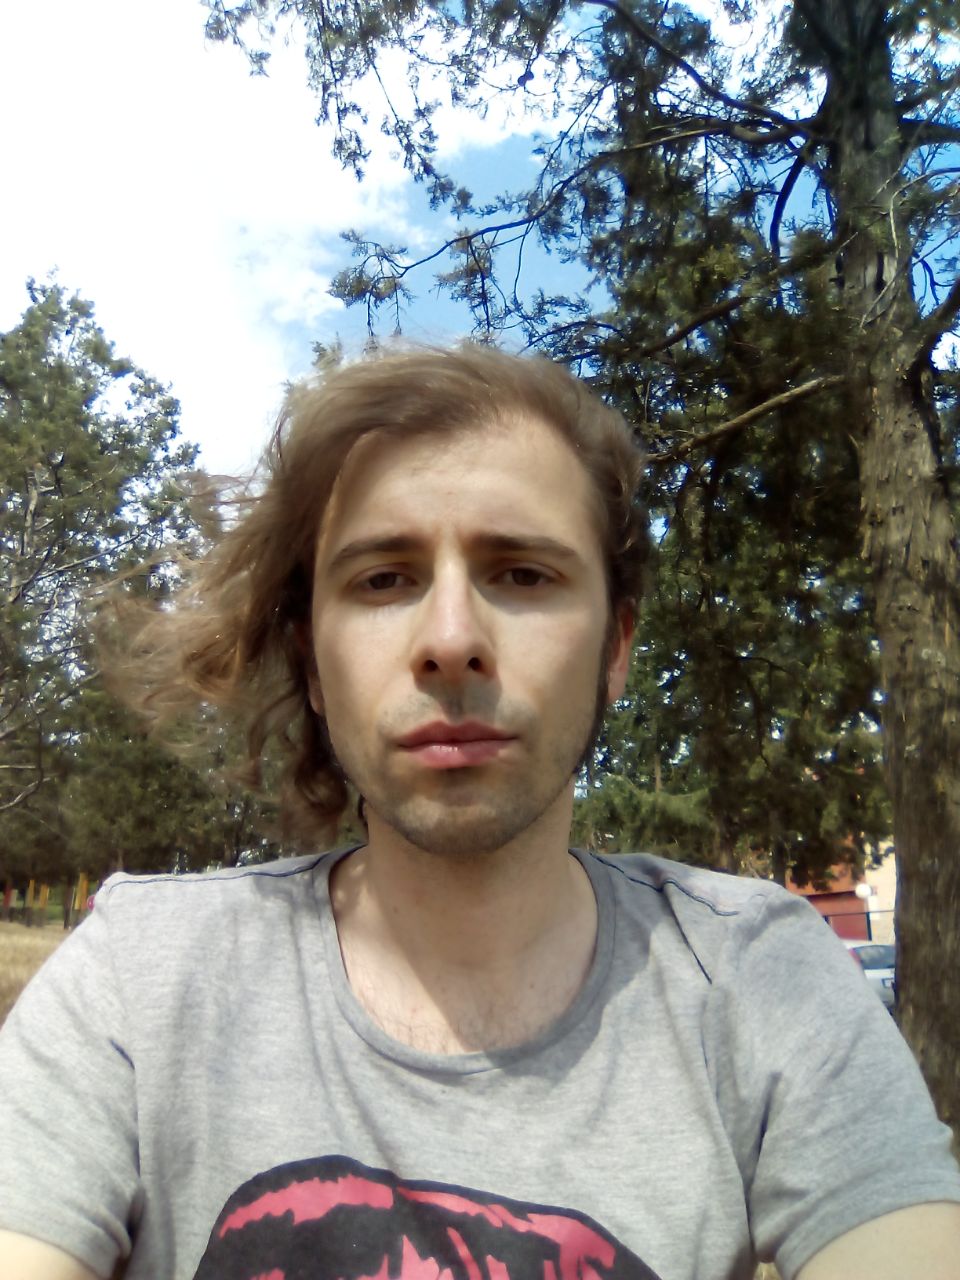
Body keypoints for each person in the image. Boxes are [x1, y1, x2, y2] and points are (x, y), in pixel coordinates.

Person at [0, 346, 958, 1280]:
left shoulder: (758, 976)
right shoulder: (140, 978)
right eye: (384, 579)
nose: (451, 640)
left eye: (523, 575)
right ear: (311, 663)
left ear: (615, 649)